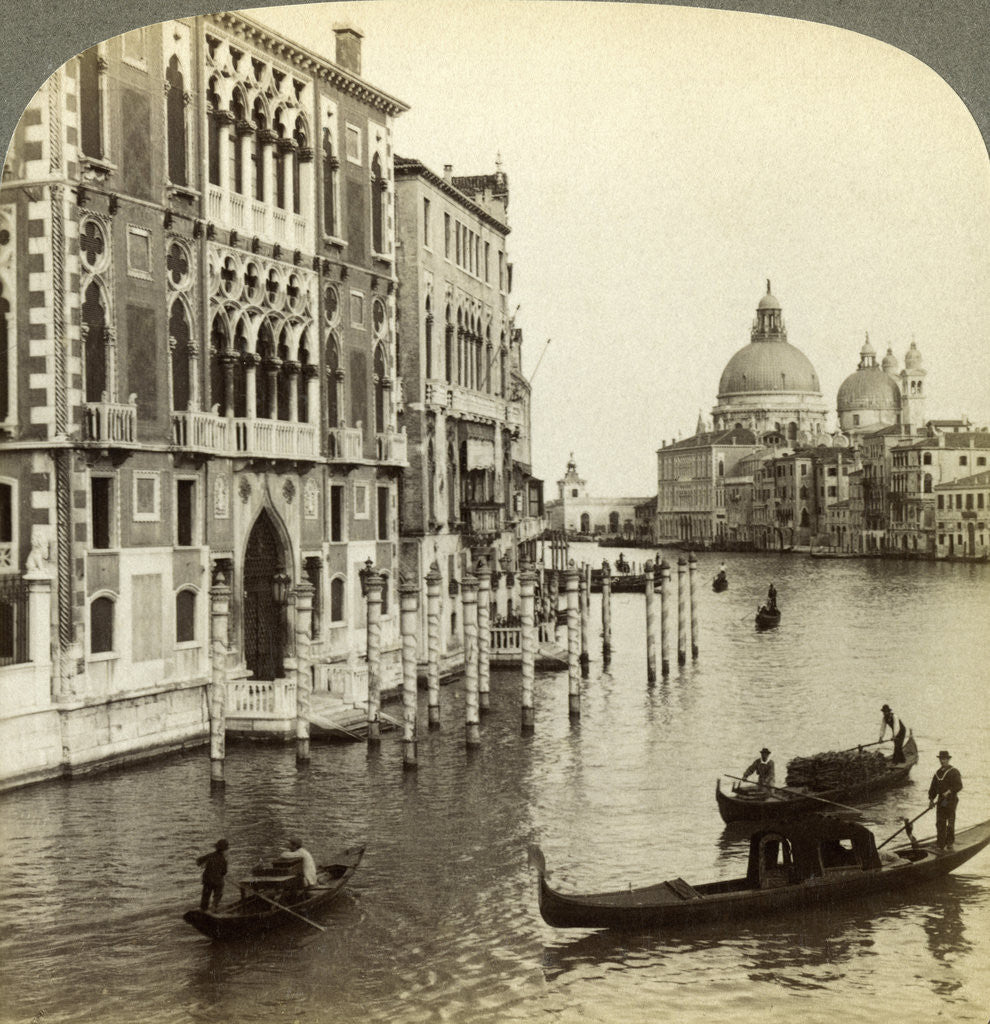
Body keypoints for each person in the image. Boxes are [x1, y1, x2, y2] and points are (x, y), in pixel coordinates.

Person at [928, 751, 963, 850]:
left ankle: (950, 843)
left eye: (944, 759)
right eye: (941, 759)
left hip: (951, 800)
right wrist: (931, 799)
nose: (942, 761)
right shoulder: (938, 773)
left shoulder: (954, 771)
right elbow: (933, 788)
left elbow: (959, 786)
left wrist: (949, 791)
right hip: (941, 801)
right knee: (940, 822)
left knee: (950, 823)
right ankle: (940, 843)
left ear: (948, 759)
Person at [196, 838, 229, 912]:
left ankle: (203, 909)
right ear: (223, 850)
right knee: (218, 893)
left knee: (205, 896)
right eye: (226, 850)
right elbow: (224, 872)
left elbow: (198, 861)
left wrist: (203, 864)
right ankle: (214, 906)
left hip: (207, 880)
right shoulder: (223, 859)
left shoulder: (210, 855)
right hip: (217, 881)